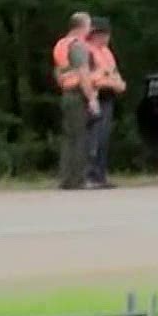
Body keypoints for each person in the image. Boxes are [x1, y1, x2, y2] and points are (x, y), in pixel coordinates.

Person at [51, 11, 98, 189]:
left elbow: (57, 72)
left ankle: (66, 178)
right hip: (78, 95)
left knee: (68, 138)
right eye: (88, 25)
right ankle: (78, 180)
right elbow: (83, 73)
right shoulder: (78, 46)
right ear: (82, 27)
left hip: (66, 93)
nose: (90, 29)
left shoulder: (61, 44)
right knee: (80, 138)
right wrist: (92, 98)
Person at [84, 19, 124, 189]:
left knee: (104, 137)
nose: (107, 38)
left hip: (109, 96)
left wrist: (119, 83)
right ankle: (89, 174)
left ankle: (101, 174)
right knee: (94, 137)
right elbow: (90, 78)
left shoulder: (106, 52)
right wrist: (109, 82)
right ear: (96, 34)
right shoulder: (87, 51)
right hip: (95, 95)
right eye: (104, 34)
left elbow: (113, 72)